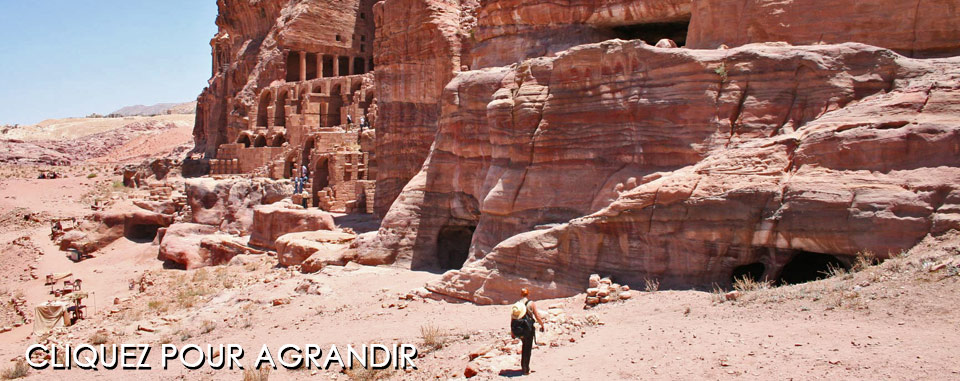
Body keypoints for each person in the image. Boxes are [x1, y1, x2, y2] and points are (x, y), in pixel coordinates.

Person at [510, 288, 545, 375]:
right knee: (527, 349)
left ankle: (523, 366)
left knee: (524, 346)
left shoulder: (517, 304)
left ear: (520, 294)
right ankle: (526, 369)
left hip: (520, 328)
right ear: (528, 294)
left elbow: (513, 318)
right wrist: (542, 324)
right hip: (528, 328)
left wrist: (512, 331)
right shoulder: (531, 303)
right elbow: (537, 316)